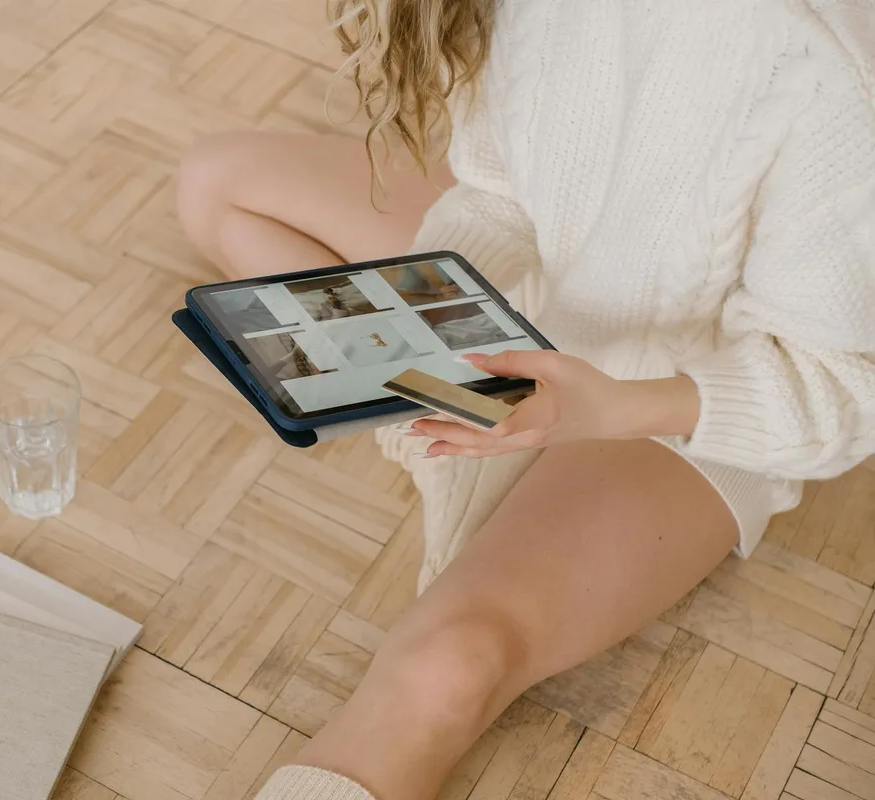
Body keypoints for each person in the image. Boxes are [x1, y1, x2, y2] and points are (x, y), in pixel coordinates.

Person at [175, 1, 875, 798]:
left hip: (684, 407)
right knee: (215, 184)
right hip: (541, 305)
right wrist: (428, 314)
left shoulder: (831, 66)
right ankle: (471, 418)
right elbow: (502, 191)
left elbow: (843, 387)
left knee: (448, 665)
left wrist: (607, 409)